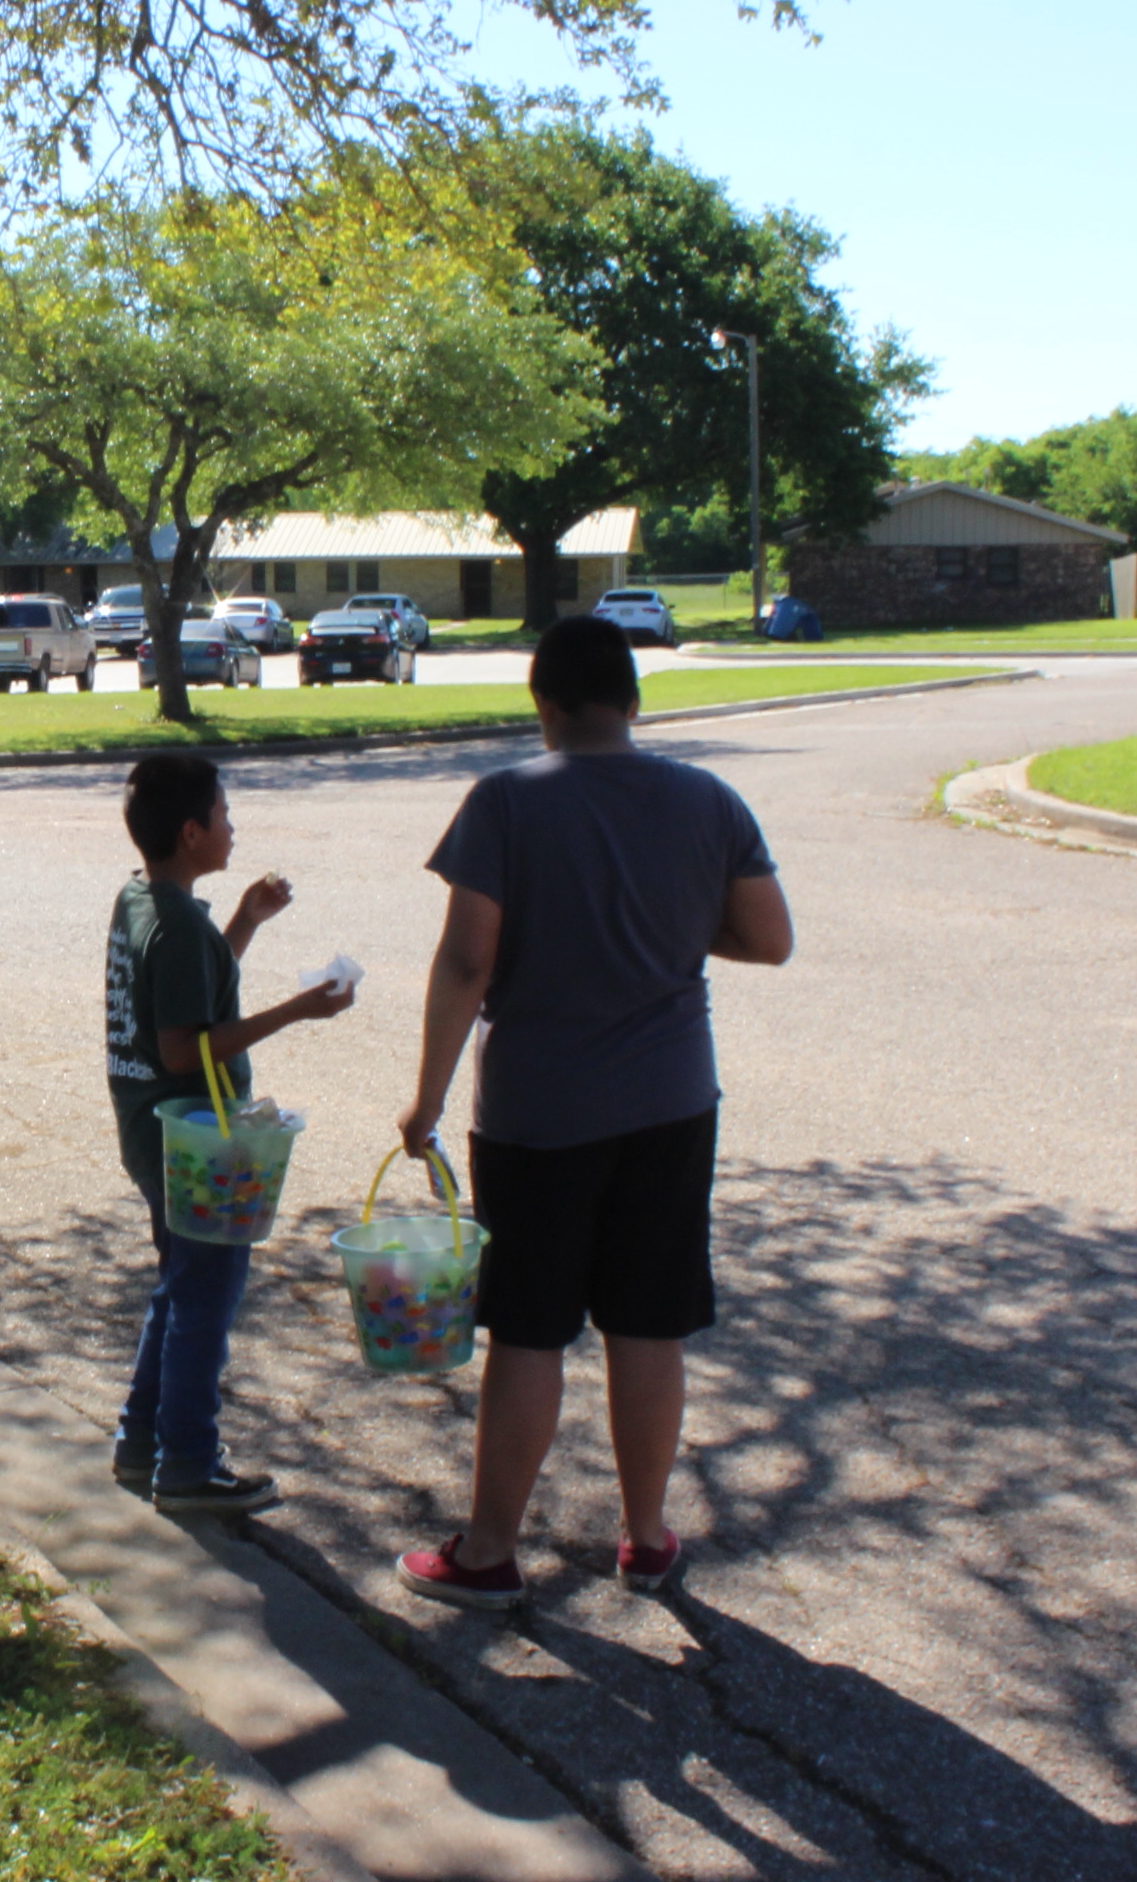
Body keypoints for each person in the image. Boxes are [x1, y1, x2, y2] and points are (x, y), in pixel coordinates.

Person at [392, 616, 793, 1606]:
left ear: (545, 704)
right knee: (649, 1325)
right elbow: (769, 938)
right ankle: (647, 1539)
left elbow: (469, 960)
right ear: (634, 701)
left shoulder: (505, 802)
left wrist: (426, 1097)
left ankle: (489, 1553)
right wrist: (669, 932)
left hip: (539, 1113)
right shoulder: (709, 799)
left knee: (530, 1333)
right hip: (672, 1102)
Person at [105, 752, 358, 1515]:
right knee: (205, 1301)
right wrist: (296, 1011)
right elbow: (185, 1048)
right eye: (223, 815)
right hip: (199, 1147)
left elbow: (192, 994)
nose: (232, 826)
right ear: (191, 832)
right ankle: (188, 1463)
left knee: (180, 1287)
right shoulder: (178, 924)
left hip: (154, 1135)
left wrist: (245, 920)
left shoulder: (141, 898)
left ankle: (141, 1441)